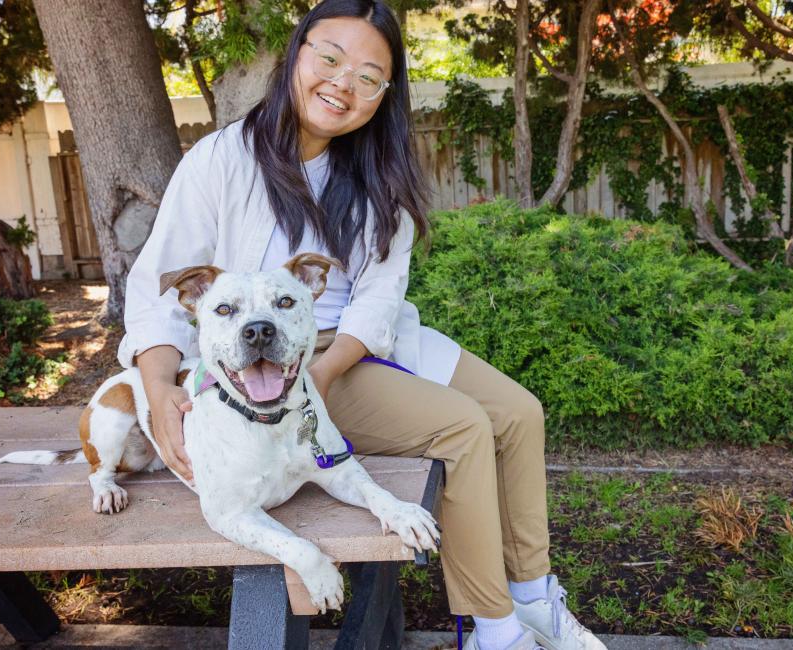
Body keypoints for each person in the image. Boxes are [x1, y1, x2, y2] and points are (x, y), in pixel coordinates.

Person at [118, 2, 604, 649]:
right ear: (296, 55)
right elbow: (160, 287)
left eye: (370, 74)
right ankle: (494, 630)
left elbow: (377, 304)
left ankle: (535, 597)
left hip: (337, 353)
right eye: (330, 58)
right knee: (463, 428)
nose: (344, 82)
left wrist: (310, 379)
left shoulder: (381, 179)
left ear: (385, 94)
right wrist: (158, 387)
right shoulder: (224, 160)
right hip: (259, 361)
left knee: (519, 412)